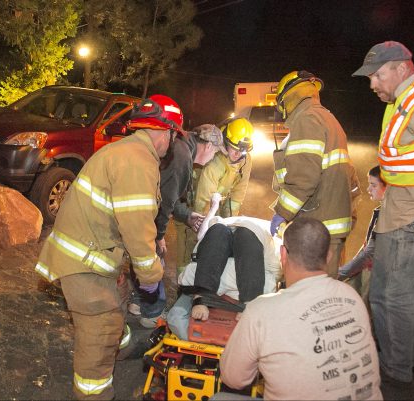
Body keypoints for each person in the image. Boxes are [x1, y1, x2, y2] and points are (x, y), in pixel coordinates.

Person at [35, 94, 183, 400]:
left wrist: (125, 269)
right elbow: (137, 229)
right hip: (83, 262)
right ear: (166, 132)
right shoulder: (139, 163)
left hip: (91, 252)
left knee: (115, 307)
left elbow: (118, 220)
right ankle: (95, 393)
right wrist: (152, 276)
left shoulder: (126, 151)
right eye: (173, 136)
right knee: (100, 331)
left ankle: (122, 347)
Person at [352, 41, 414, 384]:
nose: (372, 84)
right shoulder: (404, 97)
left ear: (401, 68)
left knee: (389, 292)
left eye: (377, 75)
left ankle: (395, 370)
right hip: (411, 206)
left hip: (411, 212)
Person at [217, 217, 383, 401]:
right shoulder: (353, 297)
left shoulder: (262, 311)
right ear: (329, 256)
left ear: (283, 255)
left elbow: (234, 379)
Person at [128, 124, 228, 328]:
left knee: (141, 256)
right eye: (216, 153)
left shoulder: (182, 147)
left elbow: (170, 196)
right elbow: (164, 202)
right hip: (143, 209)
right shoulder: (182, 157)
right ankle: (152, 313)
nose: (212, 159)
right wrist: (159, 235)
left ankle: (137, 303)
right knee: (154, 259)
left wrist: (188, 215)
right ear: (208, 146)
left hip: (138, 204)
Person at [270, 70, 357, 277]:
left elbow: (303, 179)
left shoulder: (306, 119)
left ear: (288, 98)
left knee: (313, 291)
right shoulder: (327, 117)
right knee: (325, 289)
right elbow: (350, 176)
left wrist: (281, 213)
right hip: (330, 225)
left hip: (318, 227)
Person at [167, 193, 281, 340]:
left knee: (244, 235)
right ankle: (204, 297)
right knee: (218, 231)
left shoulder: (258, 234)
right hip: (227, 229)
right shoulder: (220, 229)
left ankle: (247, 303)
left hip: (255, 234)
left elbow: (275, 269)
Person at [176, 117, 254, 269]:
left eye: (243, 150)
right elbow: (202, 201)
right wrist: (203, 226)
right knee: (190, 247)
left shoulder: (245, 161)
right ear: (225, 142)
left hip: (215, 202)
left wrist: (230, 223)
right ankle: (183, 285)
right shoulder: (215, 160)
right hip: (191, 206)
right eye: (235, 148)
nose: (239, 154)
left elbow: (238, 194)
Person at [338, 166, 386, 307]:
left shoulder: (387, 216)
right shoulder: (381, 210)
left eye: (373, 185)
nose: (368, 189)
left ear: (388, 187)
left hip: (378, 278)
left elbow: (369, 252)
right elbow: (367, 246)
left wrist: (339, 273)